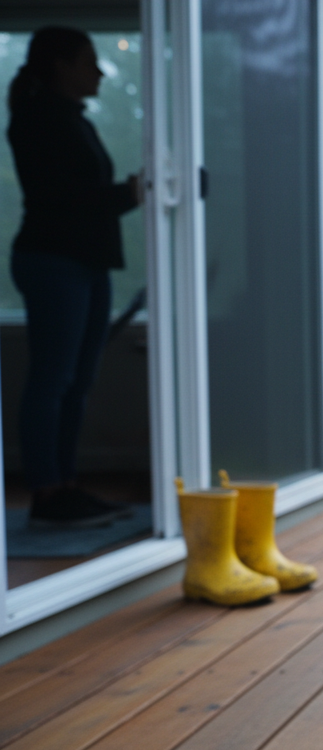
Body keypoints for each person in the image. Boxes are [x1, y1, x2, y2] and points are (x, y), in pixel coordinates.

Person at [6, 27, 142, 528]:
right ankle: (47, 494)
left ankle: (66, 487)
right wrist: (129, 193)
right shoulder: (38, 119)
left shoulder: (71, 120)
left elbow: (80, 196)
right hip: (54, 262)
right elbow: (67, 200)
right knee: (54, 380)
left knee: (76, 381)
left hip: (84, 263)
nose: (100, 72)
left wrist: (127, 193)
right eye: (89, 61)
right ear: (61, 66)